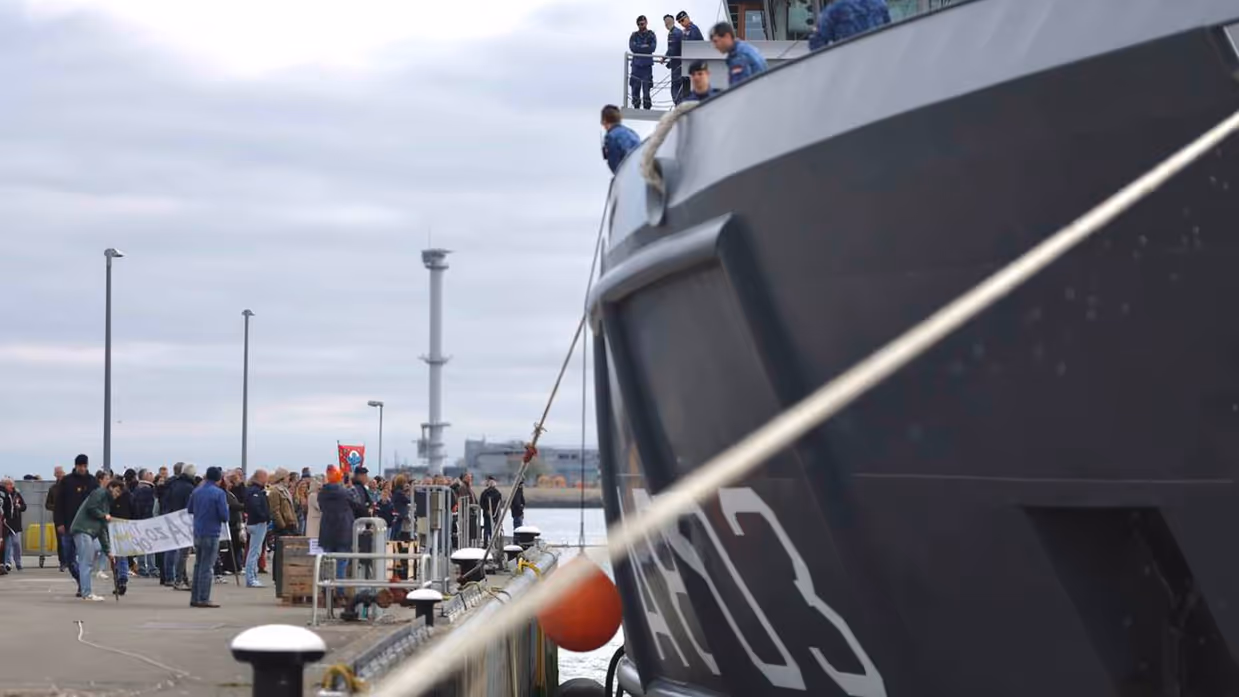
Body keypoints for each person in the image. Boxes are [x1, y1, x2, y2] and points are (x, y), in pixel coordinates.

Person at [71, 478, 123, 602]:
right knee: (86, 562)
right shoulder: (100, 493)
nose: (117, 495)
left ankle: (86, 592)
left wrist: (108, 550)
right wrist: (103, 515)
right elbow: (91, 507)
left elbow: (102, 529)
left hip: (88, 531)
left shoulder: (106, 504)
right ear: (111, 487)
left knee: (87, 562)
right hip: (84, 530)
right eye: (116, 491)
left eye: (119, 493)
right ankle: (86, 593)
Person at [55, 454, 98, 594]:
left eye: (85, 466)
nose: (82, 468)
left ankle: (84, 585)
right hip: (68, 525)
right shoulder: (66, 481)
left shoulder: (92, 482)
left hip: (86, 528)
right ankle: (80, 579)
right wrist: (59, 522)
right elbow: (58, 504)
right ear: (76, 466)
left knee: (84, 557)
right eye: (80, 466)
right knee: (69, 557)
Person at [186, 466, 228, 608]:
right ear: (218, 478)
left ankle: (195, 597)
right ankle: (204, 598)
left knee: (198, 564)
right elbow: (224, 516)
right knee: (207, 566)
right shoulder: (219, 493)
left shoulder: (196, 491)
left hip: (198, 531)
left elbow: (189, 509)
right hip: (212, 531)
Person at [317, 466, 355, 594]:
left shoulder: (322, 494)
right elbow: (356, 504)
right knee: (341, 563)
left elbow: (321, 507)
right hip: (343, 531)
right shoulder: (346, 493)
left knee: (326, 562)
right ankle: (340, 592)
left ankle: (326, 591)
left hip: (327, 530)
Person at [163, 463, 196, 590]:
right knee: (183, 553)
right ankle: (179, 579)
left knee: (171, 549)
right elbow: (190, 507)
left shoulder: (172, 484)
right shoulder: (189, 488)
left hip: (171, 518)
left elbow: (166, 501)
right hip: (183, 522)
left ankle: (171, 577)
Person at [809, 0, 891, 50]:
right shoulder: (880, 4)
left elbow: (817, 43)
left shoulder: (835, 10)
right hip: (877, 59)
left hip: (848, 63)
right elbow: (888, 33)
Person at [709, 22, 768, 86]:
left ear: (727, 36)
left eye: (716, 41)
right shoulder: (746, 49)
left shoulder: (738, 57)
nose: (715, 46)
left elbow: (740, 89)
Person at [243, 469, 270, 588]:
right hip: (257, 523)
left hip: (256, 522)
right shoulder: (255, 491)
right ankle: (251, 578)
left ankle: (252, 576)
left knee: (256, 551)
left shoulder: (256, 491)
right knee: (254, 552)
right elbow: (255, 506)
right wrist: (264, 517)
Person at [108, 472, 133, 591]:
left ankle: (121, 579)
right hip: (123, 525)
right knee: (120, 554)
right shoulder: (128, 495)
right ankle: (121, 579)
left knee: (119, 555)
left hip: (117, 526)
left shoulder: (118, 497)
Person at [601, 105, 641, 174]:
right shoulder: (632, 133)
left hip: (628, 174)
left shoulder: (611, 137)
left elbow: (615, 166)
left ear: (604, 121)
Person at [131, 469, 157, 576]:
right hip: (147, 520)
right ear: (145, 476)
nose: (152, 475)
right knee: (150, 545)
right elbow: (147, 506)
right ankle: (151, 568)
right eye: (150, 473)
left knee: (141, 545)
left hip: (138, 520)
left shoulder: (137, 489)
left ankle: (142, 567)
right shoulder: (147, 489)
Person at [628, 15, 657, 110]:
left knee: (646, 89)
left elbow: (652, 48)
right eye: (640, 24)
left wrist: (640, 47)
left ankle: (647, 106)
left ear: (646, 22)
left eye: (643, 23)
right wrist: (644, 47)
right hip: (636, 65)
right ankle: (636, 105)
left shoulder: (651, 34)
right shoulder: (634, 35)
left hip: (646, 66)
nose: (642, 25)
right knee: (635, 88)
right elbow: (633, 48)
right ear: (638, 25)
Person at [1, 478, 26, 571]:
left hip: (16, 523)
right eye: (8, 484)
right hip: (6, 523)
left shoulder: (16, 494)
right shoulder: (3, 495)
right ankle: (8, 563)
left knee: (17, 543)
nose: (11, 486)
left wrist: (19, 507)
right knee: (7, 544)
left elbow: (24, 506)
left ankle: (18, 562)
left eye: (11, 484)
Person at [45, 466, 65, 570]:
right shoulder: (53, 488)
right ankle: (62, 562)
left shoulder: (69, 486)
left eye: (61, 472)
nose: (59, 474)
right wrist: (56, 507)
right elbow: (47, 504)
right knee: (61, 540)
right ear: (55, 475)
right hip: (58, 518)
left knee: (71, 540)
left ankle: (71, 560)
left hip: (70, 517)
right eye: (57, 473)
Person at [661, 14, 685, 104]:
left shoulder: (675, 33)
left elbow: (673, 48)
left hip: (679, 65)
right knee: (677, 88)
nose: (666, 24)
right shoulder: (674, 32)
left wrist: (665, 57)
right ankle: (679, 105)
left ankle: (679, 106)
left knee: (676, 88)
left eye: (667, 22)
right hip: (677, 64)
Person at [479, 476, 502, 545]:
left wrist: (489, 510)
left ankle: (490, 543)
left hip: (492, 513)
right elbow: (481, 503)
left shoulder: (496, 493)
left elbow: (498, 503)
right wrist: (488, 510)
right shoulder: (486, 493)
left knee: (490, 528)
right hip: (489, 514)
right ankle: (489, 543)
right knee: (489, 528)